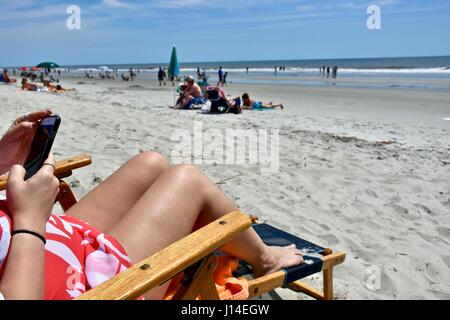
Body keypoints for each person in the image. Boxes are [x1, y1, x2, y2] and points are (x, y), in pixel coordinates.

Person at [0, 110, 303, 300]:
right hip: (86, 285)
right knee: (188, 180)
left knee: (151, 162)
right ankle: (265, 260)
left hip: (50, 242)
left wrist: (3, 161)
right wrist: (29, 220)